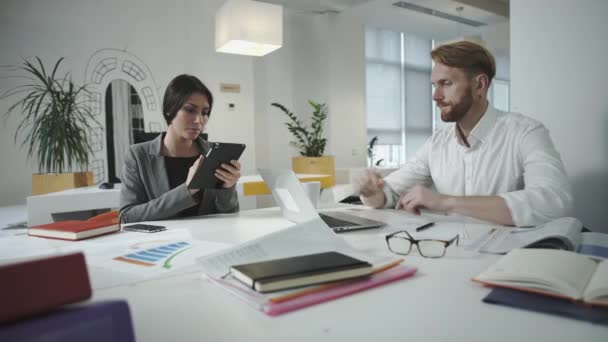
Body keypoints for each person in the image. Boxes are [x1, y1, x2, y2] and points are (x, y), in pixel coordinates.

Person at [355, 41, 573, 227]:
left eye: (446, 84)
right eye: (434, 85)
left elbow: (554, 202)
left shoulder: (525, 132)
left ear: (479, 85)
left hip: (508, 263)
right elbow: (389, 193)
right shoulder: (437, 144)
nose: (435, 96)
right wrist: (372, 192)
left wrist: (446, 202)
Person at [119, 74, 241, 223]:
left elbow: (230, 214)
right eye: (190, 110)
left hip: (210, 243)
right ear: (170, 109)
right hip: (162, 243)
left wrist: (227, 188)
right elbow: (127, 217)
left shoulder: (212, 153)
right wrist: (187, 190)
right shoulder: (138, 156)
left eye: (205, 112)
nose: (199, 120)